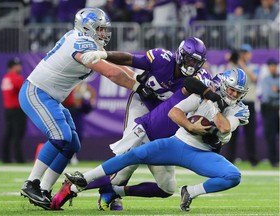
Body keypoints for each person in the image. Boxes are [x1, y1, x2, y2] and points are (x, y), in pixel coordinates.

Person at [19, 7, 155, 210]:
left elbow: (117, 65)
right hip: (37, 92)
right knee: (61, 136)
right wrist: (137, 87)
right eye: (99, 29)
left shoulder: (88, 42)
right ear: (86, 27)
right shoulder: (81, 42)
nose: (103, 33)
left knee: (72, 143)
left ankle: (45, 189)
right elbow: (110, 72)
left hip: (52, 97)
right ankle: (32, 183)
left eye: (104, 29)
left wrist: (138, 78)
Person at [63, 67, 250, 212]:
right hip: (177, 143)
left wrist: (213, 105)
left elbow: (224, 126)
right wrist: (190, 125)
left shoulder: (239, 109)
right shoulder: (203, 94)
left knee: (232, 176)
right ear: (224, 85)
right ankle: (84, 178)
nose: (234, 95)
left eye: (238, 93)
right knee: (134, 154)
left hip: (203, 153)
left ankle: (190, 192)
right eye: (232, 90)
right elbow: (174, 112)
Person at [75, 37, 208, 210]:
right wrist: (103, 54)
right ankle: (82, 186)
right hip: (142, 105)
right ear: (181, 54)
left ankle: (115, 191)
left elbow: (210, 95)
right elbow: (129, 59)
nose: (191, 64)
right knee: (131, 154)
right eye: (189, 59)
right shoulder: (162, 59)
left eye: (196, 62)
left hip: (164, 120)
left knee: (167, 186)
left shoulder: (199, 78)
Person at [226, 44, 259, 166]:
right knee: (231, 133)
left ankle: (253, 160)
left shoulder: (253, 66)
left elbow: (254, 78)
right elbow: (226, 76)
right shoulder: (234, 67)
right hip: (234, 103)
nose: (244, 55)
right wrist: (232, 61)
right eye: (242, 53)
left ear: (250, 54)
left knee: (250, 134)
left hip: (249, 103)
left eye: (246, 53)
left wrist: (241, 64)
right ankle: (230, 159)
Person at [62, 81, 97, 165]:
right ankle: (63, 155)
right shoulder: (68, 84)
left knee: (78, 134)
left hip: (77, 112)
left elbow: (88, 103)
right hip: (67, 110)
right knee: (66, 133)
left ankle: (72, 154)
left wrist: (88, 100)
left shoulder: (84, 86)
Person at [1, 57, 27, 163]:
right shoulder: (15, 78)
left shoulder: (6, 77)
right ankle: (18, 158)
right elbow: (25, 90)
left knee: (9, 133)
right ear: (13, 67)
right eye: (18, 65)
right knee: (17, 134)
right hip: (17, 110)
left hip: (8, 109)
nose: (20, 67)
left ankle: (5, 158)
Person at [260, 58, 279, 167]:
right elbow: (267, 95)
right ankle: (273, 160)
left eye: (274, 65)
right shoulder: (265, 79)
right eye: (270, 66)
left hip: (278, 109)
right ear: (268, 67)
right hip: (269, 109)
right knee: (271, 136)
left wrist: (277, 90)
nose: (272, 67)